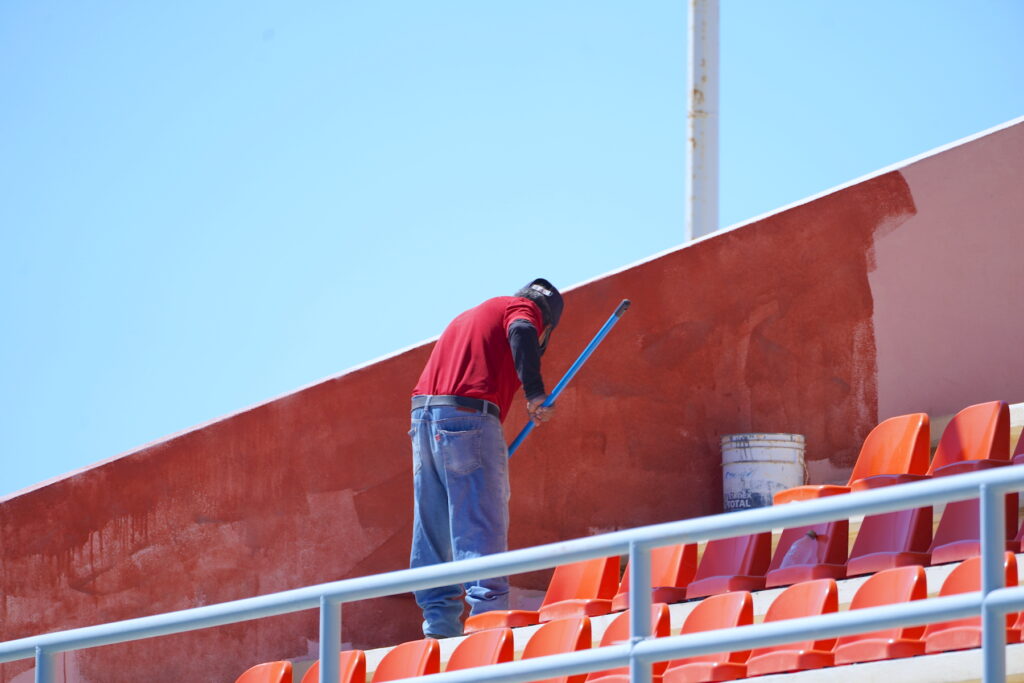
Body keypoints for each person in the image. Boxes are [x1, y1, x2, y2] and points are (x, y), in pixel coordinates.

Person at [408, 278, 564, 638]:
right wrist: (536, 394)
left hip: (423, 418)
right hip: (468, 416)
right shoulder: (522, 309)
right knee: (480, 519)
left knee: (432, 525)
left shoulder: (472, 315)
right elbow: (522, 329)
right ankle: (487, 626)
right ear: (547, 326)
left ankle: (438, 627)